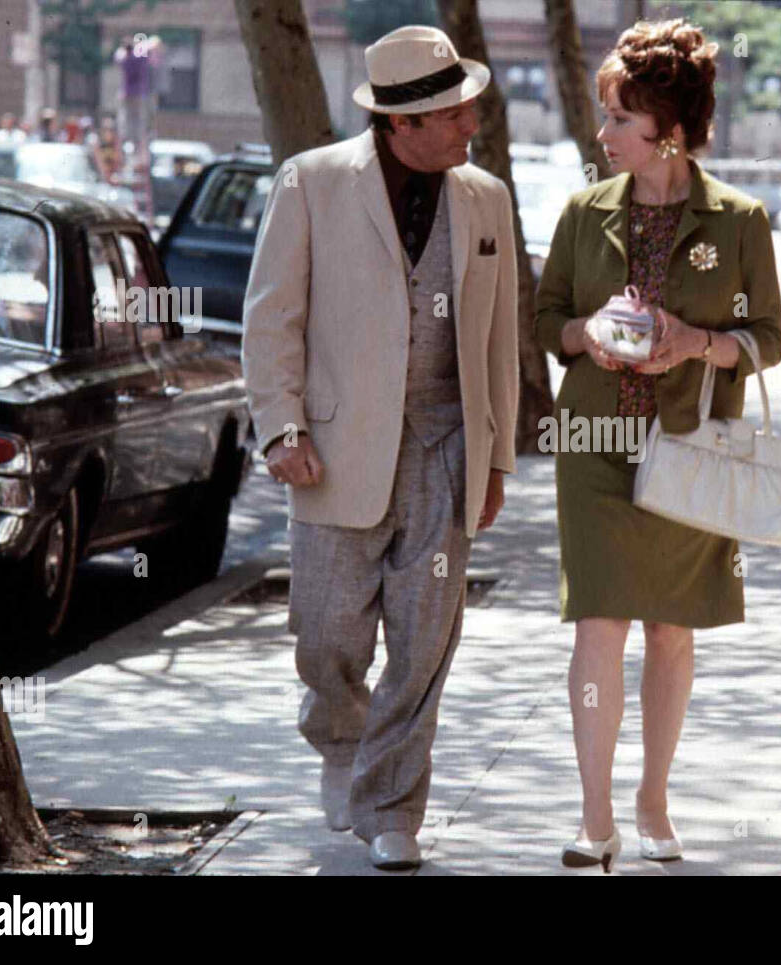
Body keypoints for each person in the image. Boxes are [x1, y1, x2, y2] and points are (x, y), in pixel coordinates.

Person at [240, 24, 519, 872]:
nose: (471, 125)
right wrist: (281, 427)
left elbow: (500, 337)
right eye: (452, 115)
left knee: (425, 639)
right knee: (326, 636)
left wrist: (499, 456)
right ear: (402, 123)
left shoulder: (487, 199)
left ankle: (393, 804)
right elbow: (271, 316)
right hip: (331, 446)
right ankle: (338, 735)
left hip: (446, 444)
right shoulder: (313, 182)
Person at [533, 18, 781, 871]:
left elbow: (770, 339)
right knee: (596, 623)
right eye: (606, 117)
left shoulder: (741, 220)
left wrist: (697, 343)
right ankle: (595, 815)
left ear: (668, 131)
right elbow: (544, 322)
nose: (601, 135)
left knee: (670, 630)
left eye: (618, 120)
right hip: (595, 442)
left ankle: (654, 795)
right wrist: (585, 333)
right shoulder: (581, 212)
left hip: (689, 448)